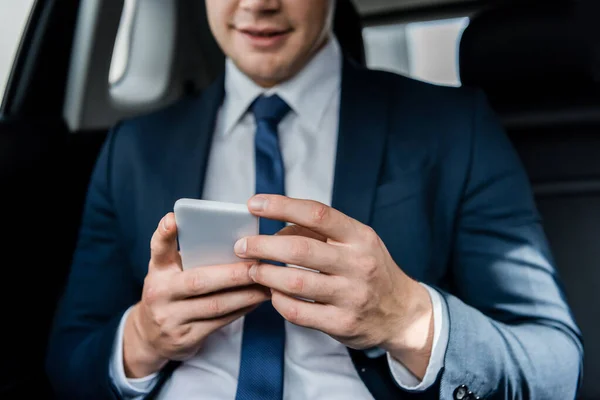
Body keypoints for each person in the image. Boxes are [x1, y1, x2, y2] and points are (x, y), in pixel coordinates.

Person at [45, 0, 583, 399]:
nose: (258, 4)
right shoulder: (134, 148)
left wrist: (409, 321)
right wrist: (141, 338)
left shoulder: (452, 128)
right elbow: (69, 358)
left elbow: (556, 365)